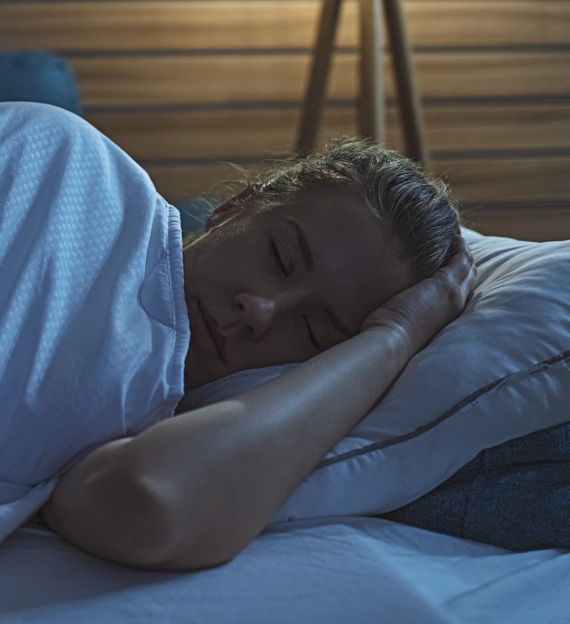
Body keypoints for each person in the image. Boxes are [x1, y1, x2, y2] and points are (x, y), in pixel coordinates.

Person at [42, 139, 479, 572]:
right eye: (278, 257)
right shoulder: (69, 192)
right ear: (235, 206)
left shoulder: (146, 414)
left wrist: (392, 338)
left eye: (313, 331)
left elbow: (145, 502)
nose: (262, 309)